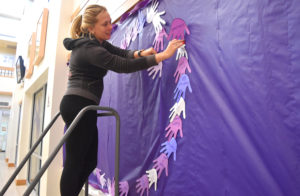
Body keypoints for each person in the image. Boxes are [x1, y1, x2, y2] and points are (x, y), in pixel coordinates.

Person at [59, 4, 184, 196]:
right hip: (78, 106)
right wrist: (163, 56)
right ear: (91, 28)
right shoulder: (92, 50)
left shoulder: (96, 43)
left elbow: (121, 53)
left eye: (110, 22)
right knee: (75, 162)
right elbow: (123, 65)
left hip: (84, 106)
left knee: (90, 160)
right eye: (105, 24)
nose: (110, 27)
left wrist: (140, 53)